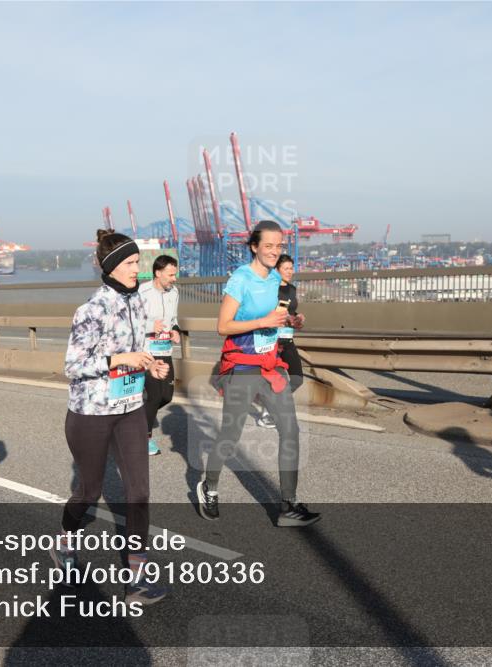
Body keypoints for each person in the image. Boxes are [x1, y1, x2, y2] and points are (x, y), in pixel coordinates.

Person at [55, 229, 170, 605]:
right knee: (88, 491)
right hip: (91, 412)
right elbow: (73, 365)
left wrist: (150, 365)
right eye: (131, 264)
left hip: (130, 407)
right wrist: (120, 360)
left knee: (139, 492)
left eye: (138, 262)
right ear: (110, 267)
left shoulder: (137, 301)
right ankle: (65, 542)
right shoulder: (91, 309)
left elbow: (137, 349)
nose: (138, 269)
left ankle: (136, 575)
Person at [197, 221, 320, 527]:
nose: (275, 251)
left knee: (290, 431)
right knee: (231, 434)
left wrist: (290, 321)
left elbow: (273, 321)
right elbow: (223, 326)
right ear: (254, 246)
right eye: (268, 246)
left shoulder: (276, 277)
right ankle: (209, 487)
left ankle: (288, 505)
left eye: (279, 246)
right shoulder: (242, 278)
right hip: (242, 365)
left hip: (270, 364)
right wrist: (264, 319)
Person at [255, 254, 306, 428]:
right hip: (272, 341)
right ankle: (268, 413)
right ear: (276, 270)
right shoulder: (269, 289)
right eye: (286, 268)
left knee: (297, 379)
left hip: (288, 339)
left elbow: (291, 310)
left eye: (292, 268)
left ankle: (272, 404)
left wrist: (298, 317)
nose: (290, 271)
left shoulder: (292, 289)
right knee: (276, 380)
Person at [137, 255, 180, 456]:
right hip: (148, 352)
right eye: (170, 274)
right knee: (154, 396)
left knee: (166, 396)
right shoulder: (142, 292)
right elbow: (130, 320)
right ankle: (143, 438)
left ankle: (140, 414)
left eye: (175, 274)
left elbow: (173, 319)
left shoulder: (175, 292)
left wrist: (175, 331)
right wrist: (149, 325)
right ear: (158, 273)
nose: (174, 278)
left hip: (165, 350)